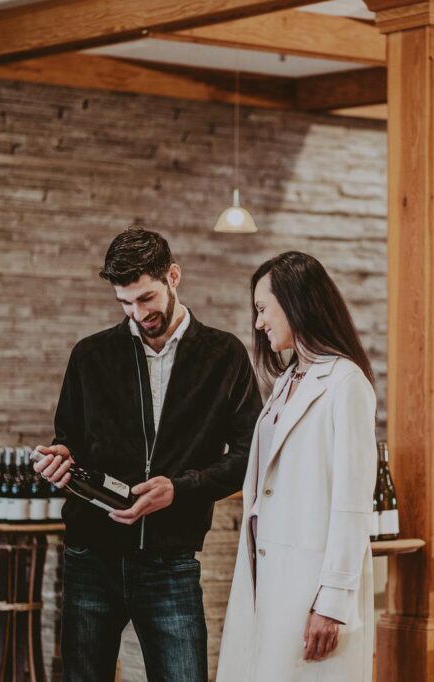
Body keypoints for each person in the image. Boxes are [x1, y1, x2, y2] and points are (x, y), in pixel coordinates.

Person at [33, 227, 262, 682]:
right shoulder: (90, 356)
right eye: (124, 302)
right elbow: (69, 442)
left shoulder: (225, 356)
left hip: (171, 562)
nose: (136, 314)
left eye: (146, 298)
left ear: (173, 276)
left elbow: (248, 456)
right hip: (90, 558)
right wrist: (59, 459)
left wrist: (179, 489)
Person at [217, 251, 377, 681]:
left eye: (262, 308)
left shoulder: (346, 384)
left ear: (295, 302)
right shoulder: (287, 381)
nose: (258, 322)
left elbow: (353, 501)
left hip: (308, 583)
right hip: (264, 575)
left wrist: (333, 602)